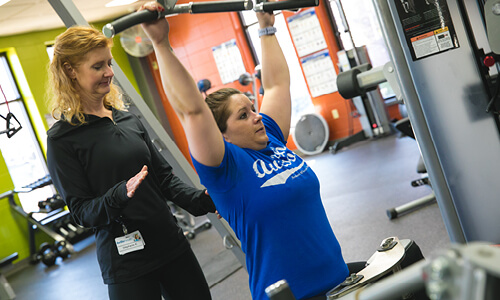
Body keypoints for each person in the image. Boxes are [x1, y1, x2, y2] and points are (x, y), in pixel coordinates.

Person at [140, 2, 350, 300]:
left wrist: (265, 25)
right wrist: (160, 43)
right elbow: (192, 111)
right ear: (221, 135)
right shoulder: (225, 169)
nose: (257, 116)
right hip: (289, 296)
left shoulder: (272, 138)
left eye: (253, 109)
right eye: (243, 115)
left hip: (339, 279)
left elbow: (276, 85)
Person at [45, 25, 215, 300]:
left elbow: (164, 178)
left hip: (170, 242)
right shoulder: (62, 139)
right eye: (98, 66)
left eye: (109, 63)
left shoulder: (127, 118)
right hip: (127, 262)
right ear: (70, 71)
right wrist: (118, 194)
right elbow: (81, 212)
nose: (109, 72)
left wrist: (202, 200)